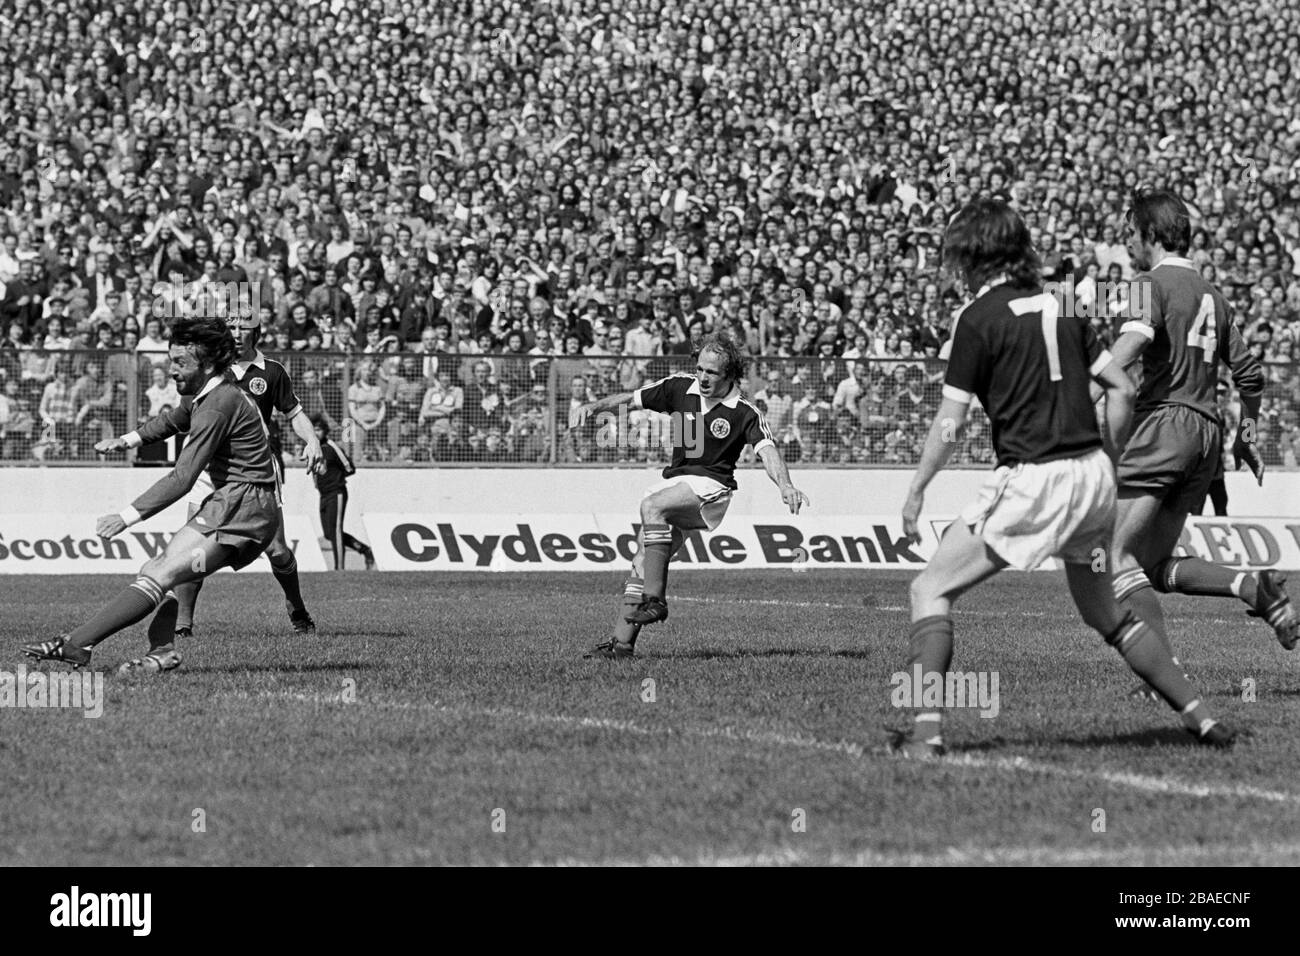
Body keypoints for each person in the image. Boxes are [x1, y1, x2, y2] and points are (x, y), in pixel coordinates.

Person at [894, 199, 1235, 758]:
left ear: (975, 256)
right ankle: (1203, 719)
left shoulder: (977, 319)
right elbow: (1122, 389)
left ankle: (925, 734)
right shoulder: (1066, 307)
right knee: (1107, 614)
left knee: (928, 589)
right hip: (1093, 478)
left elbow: (949, 423)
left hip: (1033, 478)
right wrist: (1109, 454)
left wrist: (916, 489)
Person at [1104, 190, 1295, 701]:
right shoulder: (1214, 294)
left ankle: (1163, 677)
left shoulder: (1149, 283)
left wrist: (1080, 378)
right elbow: (1250, 377)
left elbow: (1134, 341)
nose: (1127, 246)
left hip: (1163, 426)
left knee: (1114, 554)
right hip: (1205, 435)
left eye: (1130, 235)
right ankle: (1255, 589)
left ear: (1149, 234)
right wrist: (1246, 438)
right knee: (1153, 565)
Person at [22, 318, 279, 674]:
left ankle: (78, 645)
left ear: (205, 365)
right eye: (170, 360)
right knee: (155, 570)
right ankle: (161, 653)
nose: (170, 370)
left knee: (162, 574)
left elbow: (183, 477)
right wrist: (126, 441)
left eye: (179, 363)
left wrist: (126, 516)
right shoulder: (211, 392)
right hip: (236, 500)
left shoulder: (219, 404)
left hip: (246, 507)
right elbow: (174, 419)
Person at [570, 332, 810, 659]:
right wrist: (594, 406)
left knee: (651, 506)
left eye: (712, 372)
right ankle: (621, 644)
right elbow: (632, 399)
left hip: (712, 488)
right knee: (642, 561)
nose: (703, 377)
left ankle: (656, 600)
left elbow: (768, 450)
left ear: (730, 376)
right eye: (700, 369)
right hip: (681, 485)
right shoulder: (680, 387)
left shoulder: (744, 412)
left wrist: (785, 485)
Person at [97, 310, 325, 637]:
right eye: (231, 326)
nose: (236, 332)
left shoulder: (271, 372)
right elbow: (178, 417)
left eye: (243, 326)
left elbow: (294, 414)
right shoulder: (209, 369)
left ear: (256, 332)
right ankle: (183, 625)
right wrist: (128, 439)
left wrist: (312, 441)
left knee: (276, 551)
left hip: (253, 474)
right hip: (208, 469)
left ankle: (296, 607)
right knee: (191, 550)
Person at [312, 415, 375, 570]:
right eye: (313, 430)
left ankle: (339, 568)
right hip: (323, 494)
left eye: (319, 430)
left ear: (325, 431)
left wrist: (336, 478)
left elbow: (350, 468)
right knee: (328, 534)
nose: (316, 433)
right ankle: (364, 549)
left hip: (336, 492)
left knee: (336, 530)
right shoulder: (313, 448)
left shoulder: (332, 447)